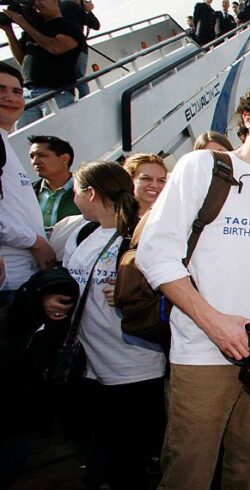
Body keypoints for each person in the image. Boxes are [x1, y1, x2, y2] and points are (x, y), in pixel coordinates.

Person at [137, 77, 250, 488]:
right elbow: (154, 255)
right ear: (249, 117)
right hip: (203, 353)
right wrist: (215, 324)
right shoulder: (205, 167)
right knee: (189, 471)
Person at [43, 160, 167, 489]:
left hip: (135, 367)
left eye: (76, 191)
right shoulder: (81, 233)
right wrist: (52, 300)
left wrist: (135, 295)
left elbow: (171, 288)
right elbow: (68, 284)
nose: (75, 198)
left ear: (91, 193)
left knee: (132, 460)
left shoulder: (142, 236)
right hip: (87, 366)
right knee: (100, 453)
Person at [0, 62, 53, 488]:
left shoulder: (6, 142)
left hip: (16, 287)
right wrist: (35, 242)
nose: (12, 96)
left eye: (17, 89)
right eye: (1, 88)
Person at [2, 0, 86, 128]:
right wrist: (8, 31)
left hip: (56, 92)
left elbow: (55, 48)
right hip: (28, 94)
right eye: (34, 2)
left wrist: (23, 23)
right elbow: (22, 59)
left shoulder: (69, 27)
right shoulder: (32, 31)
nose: (37, 4)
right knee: (24, 141)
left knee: (54, 136)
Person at [28, 134, 78, 233]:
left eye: (42, 155)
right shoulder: (27, 192)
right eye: (32, 156)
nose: (35, 161)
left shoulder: (88, 191)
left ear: (64, 159)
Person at [60, 0, 99, 98]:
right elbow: (95, 24)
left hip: (70, 50)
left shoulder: (63, 5)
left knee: (75, 79)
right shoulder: (71, 5)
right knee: (79, 78)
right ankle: (86, 100)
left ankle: (85, 99)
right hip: (79, 49)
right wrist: (88, 11)